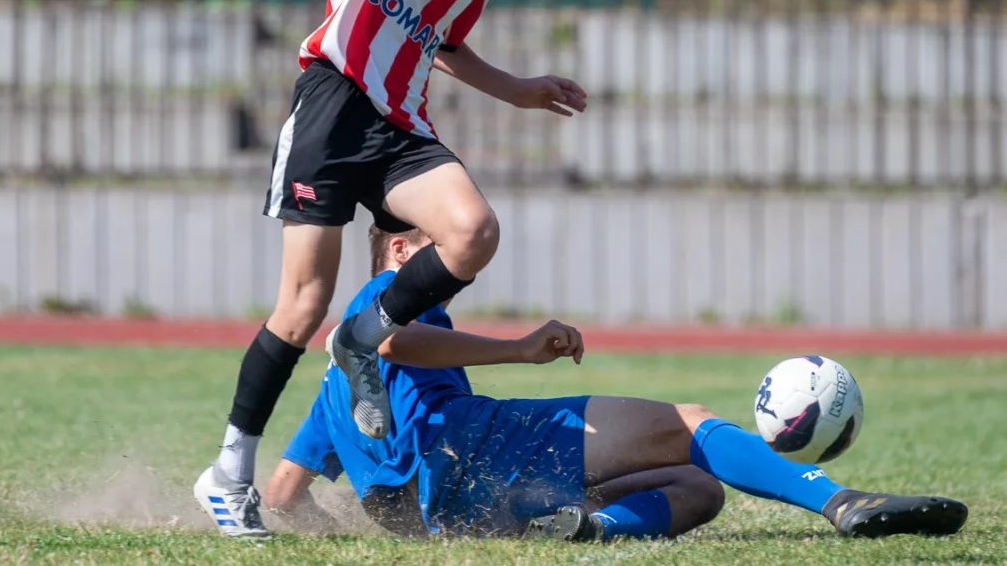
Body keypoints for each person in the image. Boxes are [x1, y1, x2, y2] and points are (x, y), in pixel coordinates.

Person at [195, 0, 592, 538]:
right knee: (302, 303)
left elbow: (445, 41)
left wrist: (520, 89)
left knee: (473, 231)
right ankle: (229, 472)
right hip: (333, 105)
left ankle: (362, 337)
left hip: (400, 122)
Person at [262, 227, 969, 541]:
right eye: (435, 242)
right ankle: (840, 500)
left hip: (467, 509)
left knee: (700, 490)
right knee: (688, 422)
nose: (453, 254)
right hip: (484, 446)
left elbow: (284, 496)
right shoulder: (387, 291)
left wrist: (365, 534)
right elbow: (390, 337)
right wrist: (521, 347)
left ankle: (584, 530)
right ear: (396, 248)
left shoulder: (335, 388)